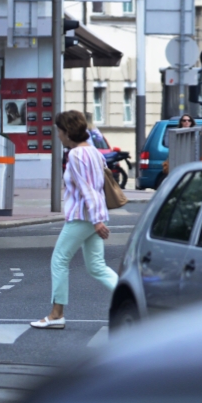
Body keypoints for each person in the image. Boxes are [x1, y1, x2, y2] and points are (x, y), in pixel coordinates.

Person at [32, 110, 117, 329]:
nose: (58, 135)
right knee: (97, 267)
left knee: (59, 260)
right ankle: (138, 302)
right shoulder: (95, 152)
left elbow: (87, 189)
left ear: (68, 132)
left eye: (60, 131)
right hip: (93, 216)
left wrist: (97, 220)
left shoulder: (76, 155)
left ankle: (57, 314)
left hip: (83, 216)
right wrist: (98, 218)